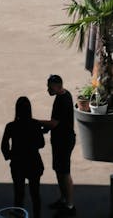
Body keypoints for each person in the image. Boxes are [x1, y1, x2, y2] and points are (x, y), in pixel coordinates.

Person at [0, 96, 45, 218]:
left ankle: (19, 215)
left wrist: (9, 155)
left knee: (19, 194)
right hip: (34, 163)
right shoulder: (35, 124)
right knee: (35, 194)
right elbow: (42, 144)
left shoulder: (11, 126)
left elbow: (4, 145)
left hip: (17, 164)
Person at [41, 75, 76, 214]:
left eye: (50, 86)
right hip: (60, 140)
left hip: (64, 141)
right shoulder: (64, 95)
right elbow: (57, 122)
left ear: (57, 86)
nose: (47, 89)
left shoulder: (62, 100)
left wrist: (34, 122)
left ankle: (69, 205)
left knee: (65, 172)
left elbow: (54, 123)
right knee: (59, 170)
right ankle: (63, 199)